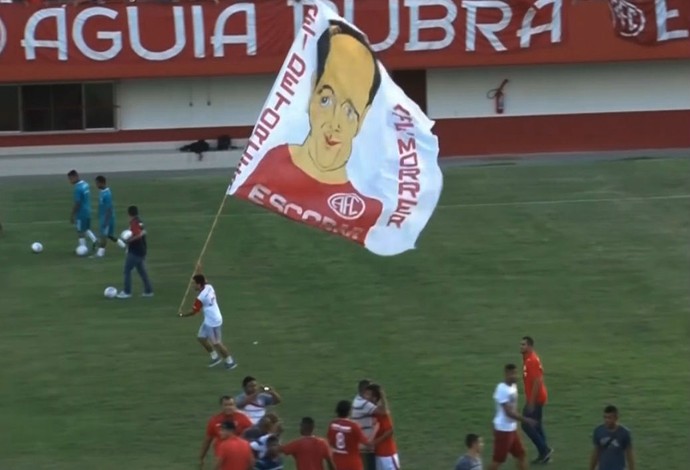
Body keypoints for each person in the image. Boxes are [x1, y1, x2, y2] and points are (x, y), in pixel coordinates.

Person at [232, 20, 384, 244]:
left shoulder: (372, 200)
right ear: (312, 91)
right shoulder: (268, 162)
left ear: (363, 118)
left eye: (349, 111)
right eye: (326, 99)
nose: (335, 123)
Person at [179, 274, 237, 370]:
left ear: (199, 285)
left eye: (194, 284)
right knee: (201, 338)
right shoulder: (209, 286)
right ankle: (215, 357)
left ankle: (230, 361)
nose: (193, 286)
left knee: (217, 343)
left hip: (213, 322)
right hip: (209, 321)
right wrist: (199, 269)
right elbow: (203, 279)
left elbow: (193, 312)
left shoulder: (201, 298)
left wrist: (182, 315)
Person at [488, 364, 536, 470]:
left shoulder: (513, 386)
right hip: (503, 430)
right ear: (506, 374)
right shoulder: (502, 389)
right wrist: (526, 420)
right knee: (498, 460)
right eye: (512, 374)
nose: (515, 376)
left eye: (516, 373)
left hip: (511, 429)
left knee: (521, 455)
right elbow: (508, 412)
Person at [520, 336, 553, 463]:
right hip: (536, 398)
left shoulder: (531, 360)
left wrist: (531, 402)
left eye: (523, 344)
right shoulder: (528, 358)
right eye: (521, 344)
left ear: (530, 346)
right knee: (537, 426)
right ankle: (544, 454)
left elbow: (537, 381)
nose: (521, 347)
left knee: (526, 424)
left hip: (536, 399)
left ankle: (544, 450)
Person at [200, 396, 254, 468]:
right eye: (226, 405)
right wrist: (202, 457)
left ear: (235, 405)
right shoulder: (214, 420)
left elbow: (253, 432)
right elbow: (208, 440)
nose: (228, 407)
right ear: (221, 406)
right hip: (220, 455)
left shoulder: (243, 418)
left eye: (231, 404)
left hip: (238, 454)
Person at [116, 205, 154, 298]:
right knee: (142, 271)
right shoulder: (140, 222)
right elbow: (143, 232)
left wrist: (128, 240)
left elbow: (138, 235)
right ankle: (148, 291)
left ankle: (127, 292)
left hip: (135, 251)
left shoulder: (134, 223)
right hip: (142, 250)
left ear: (129, 213)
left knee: (127, 271)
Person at [365, 384, 399, 470]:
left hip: (388, 454)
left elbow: (390, 431)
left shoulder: (381, 412)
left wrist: (375, 442)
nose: (365, 397)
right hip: (377, 455)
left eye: (368, 394)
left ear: (375, 398)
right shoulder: (369, 411)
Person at [589, 405, 635, 470]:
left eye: (609, 418)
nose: (606, 420)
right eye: (605, 417)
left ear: (616, 418)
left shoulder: (624, 433)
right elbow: (596, 452)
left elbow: (629, 455)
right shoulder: (598, 431)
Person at [328, 400, 369, 470]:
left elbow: (330, 442)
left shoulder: (332, 424)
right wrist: (376, 428)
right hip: (353, 464)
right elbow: (366, 443)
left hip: (337, 463)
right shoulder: (354, 426)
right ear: (349, 411)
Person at [351, 380, 379, 470]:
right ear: (365, 391)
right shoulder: (363, 403)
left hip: (363, 446)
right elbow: (383, 412)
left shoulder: (358, 399)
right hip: (365, 447)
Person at [94, 175, 124, 258]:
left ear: (102, 183)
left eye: (97, 183)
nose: (96, 185)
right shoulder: (102, 192)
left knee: (103, 236)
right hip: (104, 217)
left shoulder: (107, 194)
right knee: (110, 236)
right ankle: (124, 245)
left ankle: (100, 253)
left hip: (107, 218)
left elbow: (109, 209)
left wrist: (106, 222)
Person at [67, 169, 97, 252]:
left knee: (80, 231)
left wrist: (72, 214)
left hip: (81, 212)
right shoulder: (85, 184)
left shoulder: (78, 188)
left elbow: (78, 203)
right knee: (86, 228)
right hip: (88, 210)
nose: (70, 181)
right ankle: (95, 240)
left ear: (75, 176)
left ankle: (82, 248)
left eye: (70, 179)